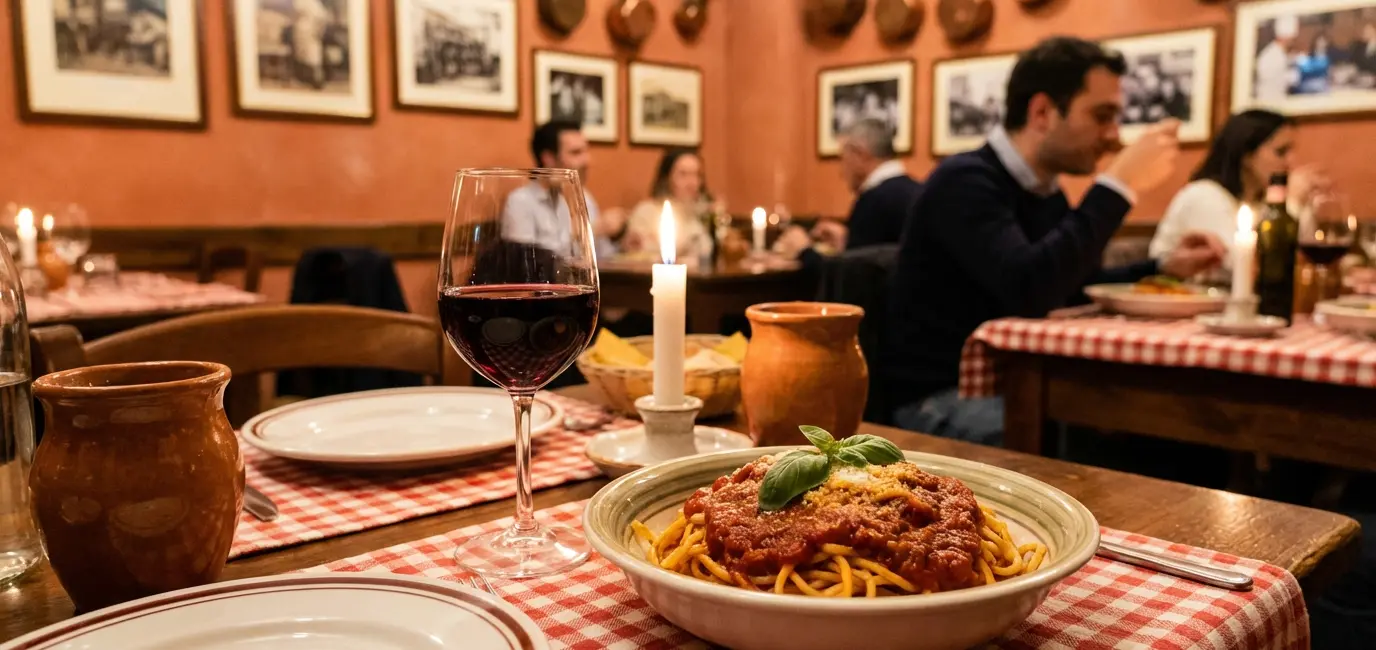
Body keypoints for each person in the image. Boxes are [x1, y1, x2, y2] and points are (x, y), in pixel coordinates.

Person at [882, 36, 1226, 446]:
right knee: (1107, 438)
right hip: (937, 399)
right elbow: (1030, 287)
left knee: (1169, 422)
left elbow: (1070, 286)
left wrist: (1162, 268)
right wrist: (1117, 186)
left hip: (1015, 382)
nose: (1113, 135)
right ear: (1042, 112)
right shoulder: (965, 181)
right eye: (1102, 116)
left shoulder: (1046, 191)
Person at [1149, 110, 1301, 264]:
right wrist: (1291, 203)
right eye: (1281, 152)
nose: (1291, 162)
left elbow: (1297, 258)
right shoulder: (1204, 195)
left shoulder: (1259, 202)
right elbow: (1239, 263)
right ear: (1246, 155)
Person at [773, 119, 921, 262]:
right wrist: (845, 242)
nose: (841, 172)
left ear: (859, 155)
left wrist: (804, 252)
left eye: (843, 158)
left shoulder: (873, 201)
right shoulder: (917, 191)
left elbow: (853, 275)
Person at [501, 121, 626, 260]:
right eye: (576, 153)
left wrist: (620, 241)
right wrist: (589, 233)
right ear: (548, 159)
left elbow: (601, 257)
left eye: (586, 151)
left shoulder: (584, 196)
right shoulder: (520, 202)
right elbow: (524, 263)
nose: (587, 160)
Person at [622, 149, 714, 263]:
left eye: (697, 175)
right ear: (667, 178)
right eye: (683, 174)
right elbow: (636, 254)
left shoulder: (702, 215)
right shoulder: (646, 212)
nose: (692, 183)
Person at [1255, 15, 1298, 103]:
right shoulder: (1271, 55)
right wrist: (1294, 76)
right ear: (1286, 37)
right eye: (1292, 38)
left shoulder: (1278, 53)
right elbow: (1276, 81)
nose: (1293, 41)